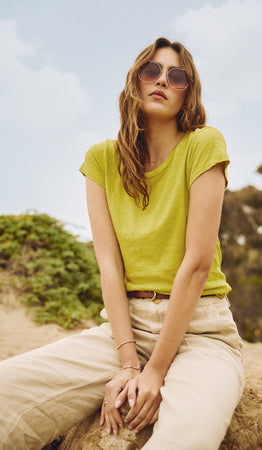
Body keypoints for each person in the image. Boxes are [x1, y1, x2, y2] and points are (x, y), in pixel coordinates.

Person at [0, 37, 244, 449]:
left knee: (186, 439)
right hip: (124, 329)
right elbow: (109, 267)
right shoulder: (101, 160)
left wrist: (155, 372)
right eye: (152, 71)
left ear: (188, 95)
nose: (162, 80)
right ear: (135, 81)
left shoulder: (204, 144)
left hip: (201, 331)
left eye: (176, 76)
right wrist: (130, 362)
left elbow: (198, 264)